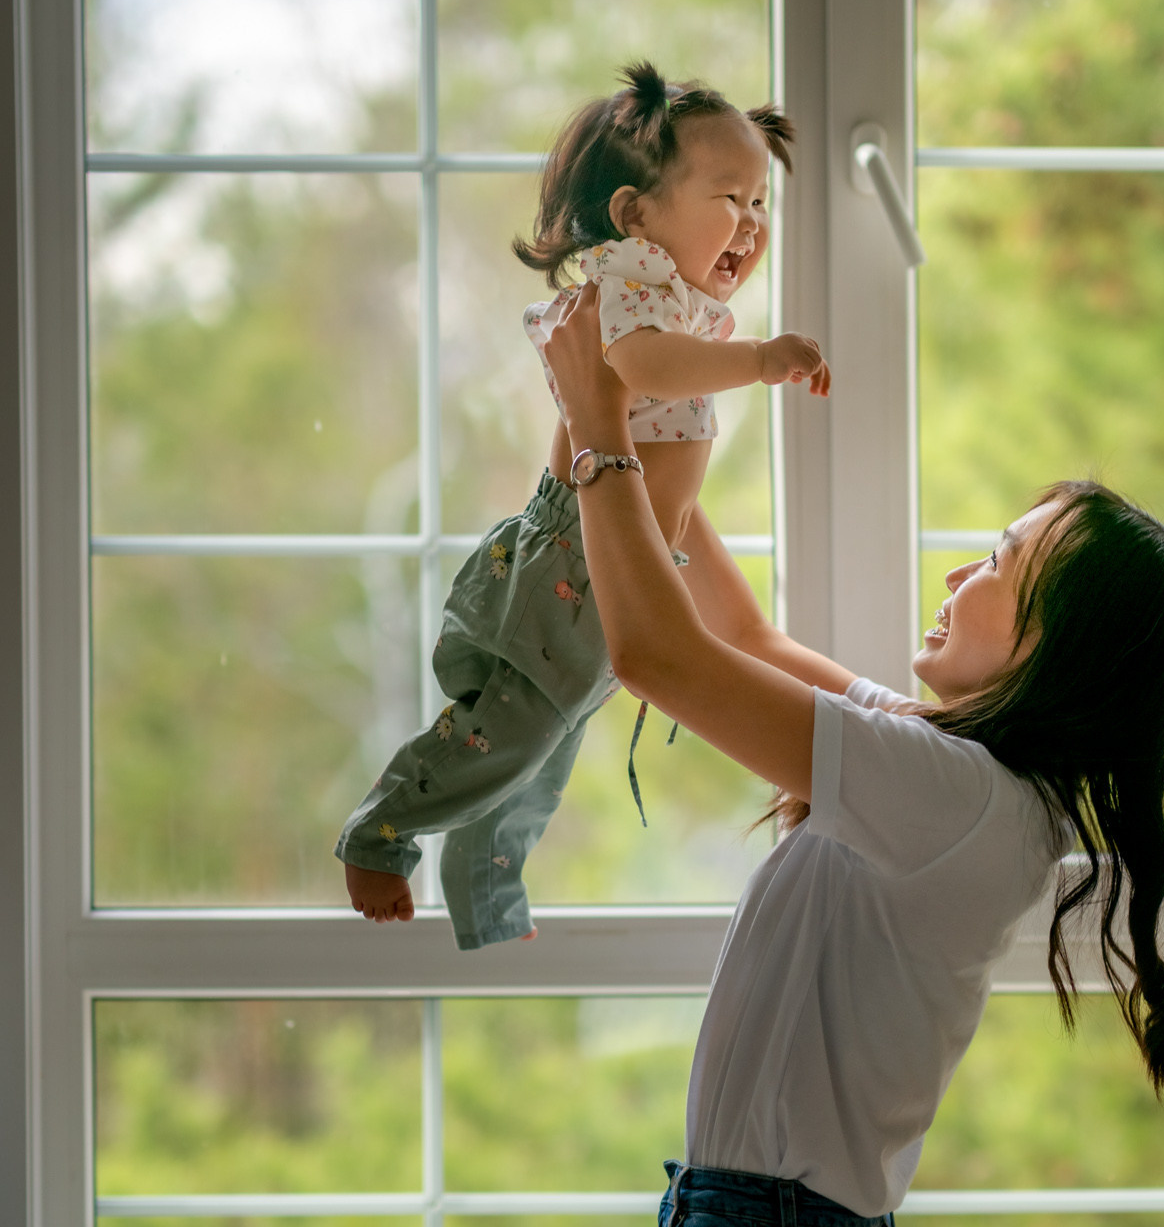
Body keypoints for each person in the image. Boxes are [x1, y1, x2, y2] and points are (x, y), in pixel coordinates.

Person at [541, 278, 1164, 1227]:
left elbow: (656, 653)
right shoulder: (959, 781)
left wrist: (602, 431)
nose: (956, 576)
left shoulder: (953, 797)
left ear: (1050, 645)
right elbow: (734, 637)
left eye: (997, 569)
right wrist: (657, 439)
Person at [333, 61, 830, 949]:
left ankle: (485, 895)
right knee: (513, 735)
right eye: (728, 198)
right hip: (576, 557)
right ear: (637, 214)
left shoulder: (674, 295)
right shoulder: (625, 285)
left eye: (761, 205)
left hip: (624, 557)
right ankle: (381, 829)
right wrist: (759, 359)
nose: (751, 227)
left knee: (544, 753)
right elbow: (638, 367)